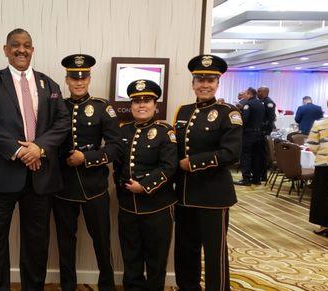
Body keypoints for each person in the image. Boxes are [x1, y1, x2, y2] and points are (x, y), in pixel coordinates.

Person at [0, 28, 70, 290]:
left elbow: (63, 121)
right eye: (15, 45)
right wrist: (20, 152)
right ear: (5, 49)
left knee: (36, 243)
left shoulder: (49, 85)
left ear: (33, 50)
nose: (21, 50)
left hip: (40, 177)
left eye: (27, 45)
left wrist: (39, 148)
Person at [173, 54, 242, 291]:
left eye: (210, 80)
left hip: (214, 195)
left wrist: (193, 163)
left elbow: (231, 154)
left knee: (214, 253)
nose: (204, 85)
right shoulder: (183, 111)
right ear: (193, 83)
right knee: (185, 249)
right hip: (184, 194)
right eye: (200, 79)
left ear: (217, 83)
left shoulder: (228, 113)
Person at [54, 54, 120, 291]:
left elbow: (115, 147)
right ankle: (67, 286)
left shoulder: (103, 108)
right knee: (65, 243)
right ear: (67, 80)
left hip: (95, 187)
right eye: (74, 78)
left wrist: (87, 158)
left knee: (102, 242)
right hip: (62, 187)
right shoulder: (57, 106)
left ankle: (107, 286)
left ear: (89, 78)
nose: (79, 82)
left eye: (83, 78)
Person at [114, 79, 178, 291]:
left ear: (155, 105)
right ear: (131, 106)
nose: (142, 105)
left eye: (147, 101)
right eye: (137, 101)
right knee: (130, 257)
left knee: (156, 260)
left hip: (157, 207)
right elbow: (119, 166)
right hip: (128, 207)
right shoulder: (123, 131)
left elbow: (169, 167)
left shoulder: (165, 131)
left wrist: (145, 186)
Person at [307, 97, 328, 238]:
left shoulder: (320, 123)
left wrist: (322, 152)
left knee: (321, 194)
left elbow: (311, 144)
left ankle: (324, 225)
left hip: (324, 163)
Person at [235, 87, 265, 186]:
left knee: (246, 155)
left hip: (249, 134)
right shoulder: (261, 104)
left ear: (249, 94)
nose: (244, 95)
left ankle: (246, 179)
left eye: (245, 93)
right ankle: (256, 178)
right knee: (257, 156)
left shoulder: (248, 104)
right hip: (259, 134)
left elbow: (245, 120)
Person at [257, 86, 277, 181]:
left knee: (262, 154)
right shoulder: (261, 101)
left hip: (264, 132)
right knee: (259, 154)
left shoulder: (269, 102)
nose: (258, 93)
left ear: (265, 92)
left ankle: (263, 175)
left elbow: (271, 118)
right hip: (260, 131)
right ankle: (259, 174)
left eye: (259, 91)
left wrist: (266, 131)